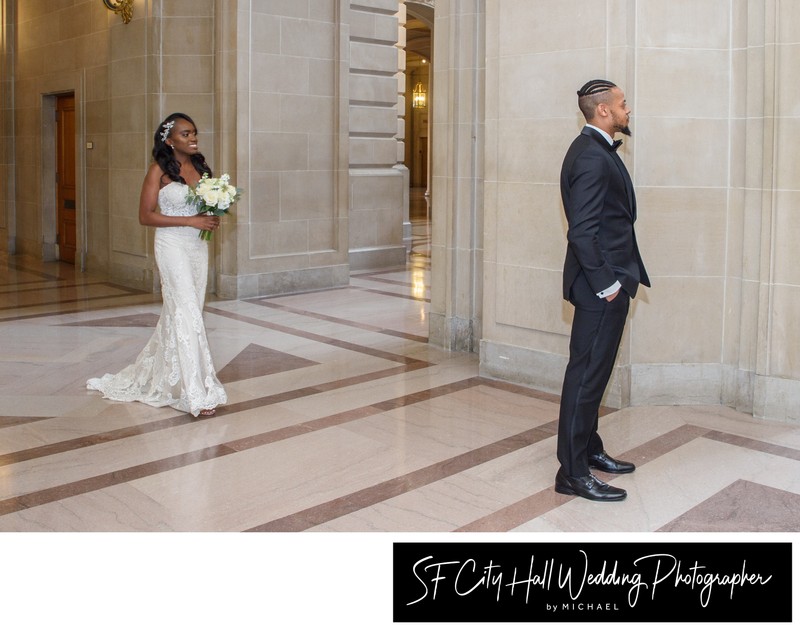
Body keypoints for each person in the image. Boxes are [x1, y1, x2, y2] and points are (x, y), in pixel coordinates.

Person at [87, 113, 227, 417]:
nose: (193, 139)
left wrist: (212, 215)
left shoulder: (201, 168)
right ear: (169, 140)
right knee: (186, 309)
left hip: (196, 247)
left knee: (184, 312)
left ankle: (169, 377)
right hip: (171, 245)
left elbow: (205, 207)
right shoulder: (159, 171)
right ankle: (196, 392)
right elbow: (145, 215)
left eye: (194, 133)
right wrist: (190, 220)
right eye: (186, 134)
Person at [555, 80, 650, 501]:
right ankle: (572, 473)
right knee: (586, 378)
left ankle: (589, 450)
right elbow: (583, 232)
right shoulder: (592, 158)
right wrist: (608, 286)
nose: (628, 110)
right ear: (603, 112)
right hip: (600, 286)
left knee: (594, 375)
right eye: (623, 104)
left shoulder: (594, 150)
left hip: (606, 281)